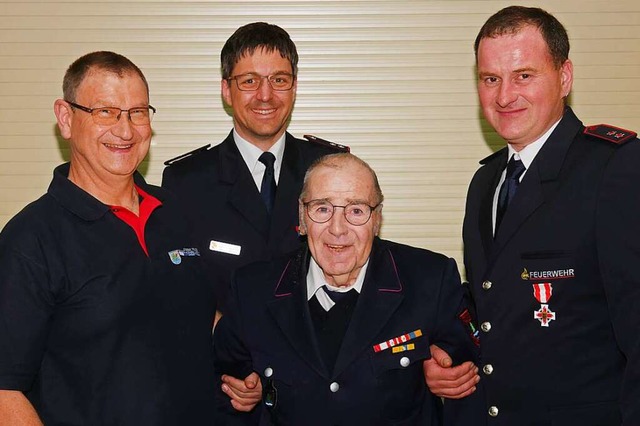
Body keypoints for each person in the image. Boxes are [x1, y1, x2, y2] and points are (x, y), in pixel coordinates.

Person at [424, 6, 640, 425]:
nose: (505, 96)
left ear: (564, 77)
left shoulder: (617, 168)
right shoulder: (485, 183)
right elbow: (493, 300)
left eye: (523, 75)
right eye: (491, 79)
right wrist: (452, 352)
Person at [0, 51, 219, 425]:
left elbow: (197, 318)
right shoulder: (30, 240)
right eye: (105, 112)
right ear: (66, 118)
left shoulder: (178, 213)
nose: (125, 130)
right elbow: (6, 390)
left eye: (137, 112)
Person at [213, 152, 484, 425]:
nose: (338, 229)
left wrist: (446, 366)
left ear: (377, 219)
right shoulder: (253, 289)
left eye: (356, 210)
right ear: (302, 217)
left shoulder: (429, 279)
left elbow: (468, 366)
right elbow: (229, 384)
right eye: (322, 209)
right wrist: (248, 390)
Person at [162, 22, 347, 317]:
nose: (265, 95)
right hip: (225, 357)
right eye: (249, 81)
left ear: (294, 87)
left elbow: (363, 270)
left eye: (279, 80)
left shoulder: (331, 168)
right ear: (226, 90)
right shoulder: (186, 183)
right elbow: (181, 292)